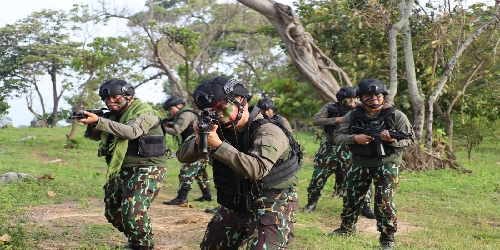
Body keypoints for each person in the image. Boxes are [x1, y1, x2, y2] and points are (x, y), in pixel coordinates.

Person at [176, 76, 303, 249]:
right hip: (234, 201)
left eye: (221, 108)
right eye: (211, 112)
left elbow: (257, 169)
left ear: (240, 100)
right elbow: (183, 156)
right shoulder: (215, 127)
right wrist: (200, 139)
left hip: (271, 202)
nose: (218, 116)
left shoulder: (268, 130)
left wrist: (219, 146)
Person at [78, 79, 167, 250]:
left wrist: (99, 121)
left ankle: (142, 245)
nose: (110, 101)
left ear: (128, 95)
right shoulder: (111, 116)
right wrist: (95, 123)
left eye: (114, 97)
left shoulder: (146, 113)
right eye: (106, 99)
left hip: (148, 167)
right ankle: (137, 238)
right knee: (112, 211)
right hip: (121, 168)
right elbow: (94, 137)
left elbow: (132, 132)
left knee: (132, 211)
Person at [328, 79, 414, 250]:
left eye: (377, 95)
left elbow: (409, 139)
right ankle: (346, 228)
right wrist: (355, 139)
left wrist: (391, 141)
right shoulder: (352, 115)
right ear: (360, 97)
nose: (374, 98)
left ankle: (387, 237)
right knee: (352, 197)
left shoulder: (396, 115)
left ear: (383, 97)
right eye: (368, 95)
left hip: (387, 162)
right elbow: (337, 137)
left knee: (384, 200)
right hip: (360, 162)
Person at [302, 87, 376, 219]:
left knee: (359, 176)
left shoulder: (361, 108)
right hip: (330, 147)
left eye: (355, 99)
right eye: (350, 99)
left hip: (350, 147)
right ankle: (311, 203)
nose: (353, 102)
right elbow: (316, 120)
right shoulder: (330, 107)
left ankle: (365, 206)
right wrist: (336, 120)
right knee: (319, 175)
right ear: (341, 99)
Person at [161, 97, 213, 205]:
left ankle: (182, 198)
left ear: (179, 106)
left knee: (186, 171)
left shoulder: (185, 114)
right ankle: (207, 195)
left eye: (172, 109)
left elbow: (176, 130)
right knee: (200, 173)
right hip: (201, 147)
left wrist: (160, 127)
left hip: (196, 149)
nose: (171, 112)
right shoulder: (186, 113)